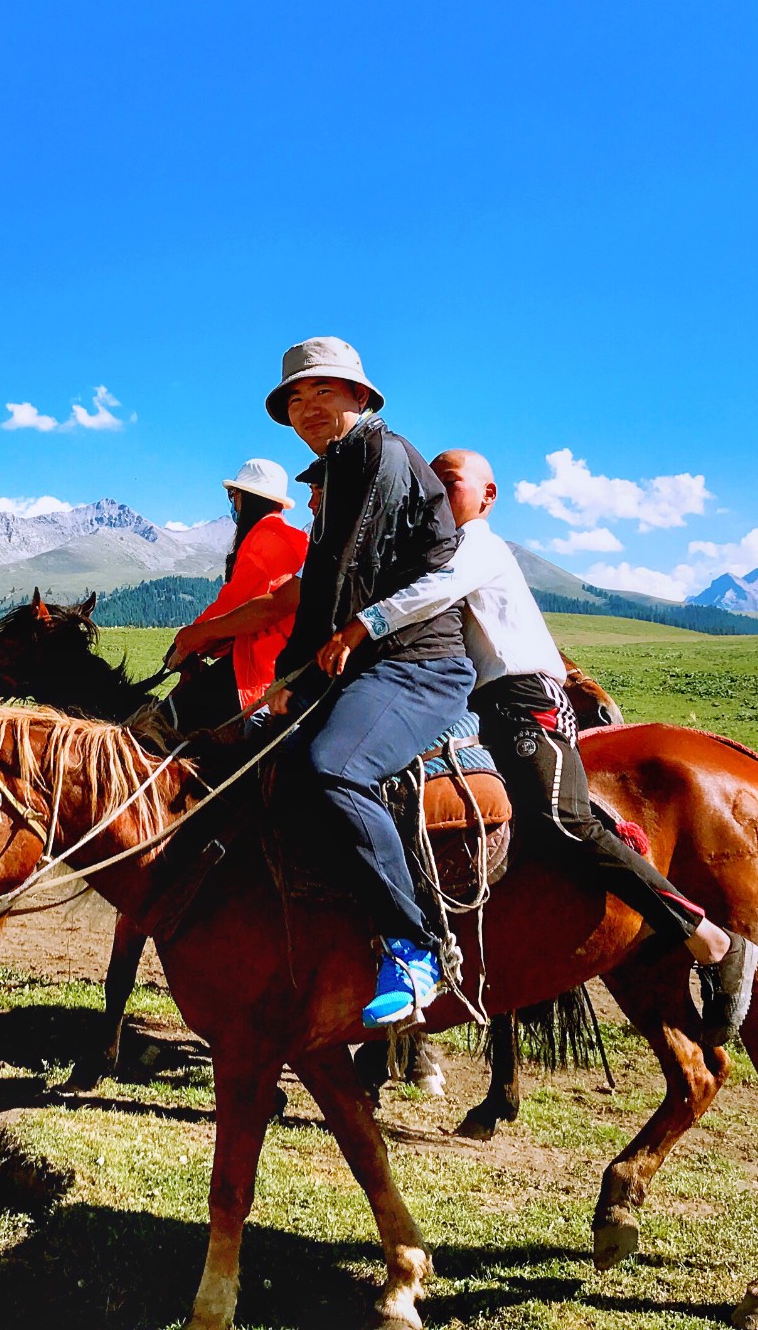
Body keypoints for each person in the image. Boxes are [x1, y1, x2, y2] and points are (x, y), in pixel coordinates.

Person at [316, 448, 758, 1046]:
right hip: (481, 706)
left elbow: (434, 592)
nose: (438, 496)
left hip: (524, 700)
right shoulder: (441, 546)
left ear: (487, 497)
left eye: (449, 484)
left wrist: (362, 624)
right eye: (431, 486)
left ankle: (707, 939)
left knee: (562, 818)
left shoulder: (476, 546)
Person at [262, 337, 474, 1029]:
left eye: (322, 391)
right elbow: (322, 583)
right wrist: (283, 681)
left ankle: (416, 946)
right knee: (264, 751)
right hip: (362, 660)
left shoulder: (381, 456)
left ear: (359, 396)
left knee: (337, 769)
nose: (306, 407)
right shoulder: (338, 468)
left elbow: (351, 574)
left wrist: (305, 672)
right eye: (295, 398)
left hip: (418, 662)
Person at [166, 458, 310, 709]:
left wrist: (187, 639)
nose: (233, 503)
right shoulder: (294, 537)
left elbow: (234, 604)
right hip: (290, 653)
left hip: (263, 663)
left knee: (173, 716)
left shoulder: (263, 540)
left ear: (247, 497)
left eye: (233, 495)